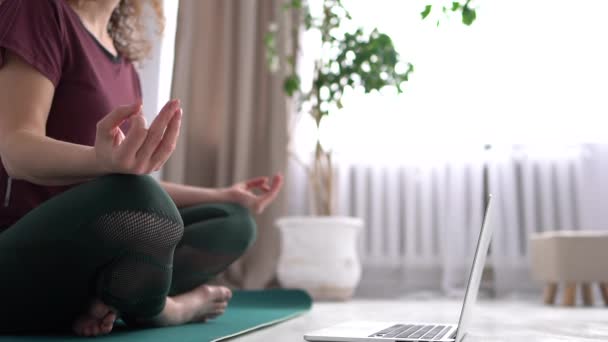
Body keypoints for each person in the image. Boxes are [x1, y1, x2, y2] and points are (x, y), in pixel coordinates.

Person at [0, 0, 284, 337]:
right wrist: (100, 161)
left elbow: (129, 183)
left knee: (233, 222)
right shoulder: (38, 11)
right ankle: (162, 308)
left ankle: (106, 298)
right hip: (18, 266)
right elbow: (15, 149)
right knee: (142, 198)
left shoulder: (126, 69)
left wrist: (223, 194)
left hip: (86, 262)